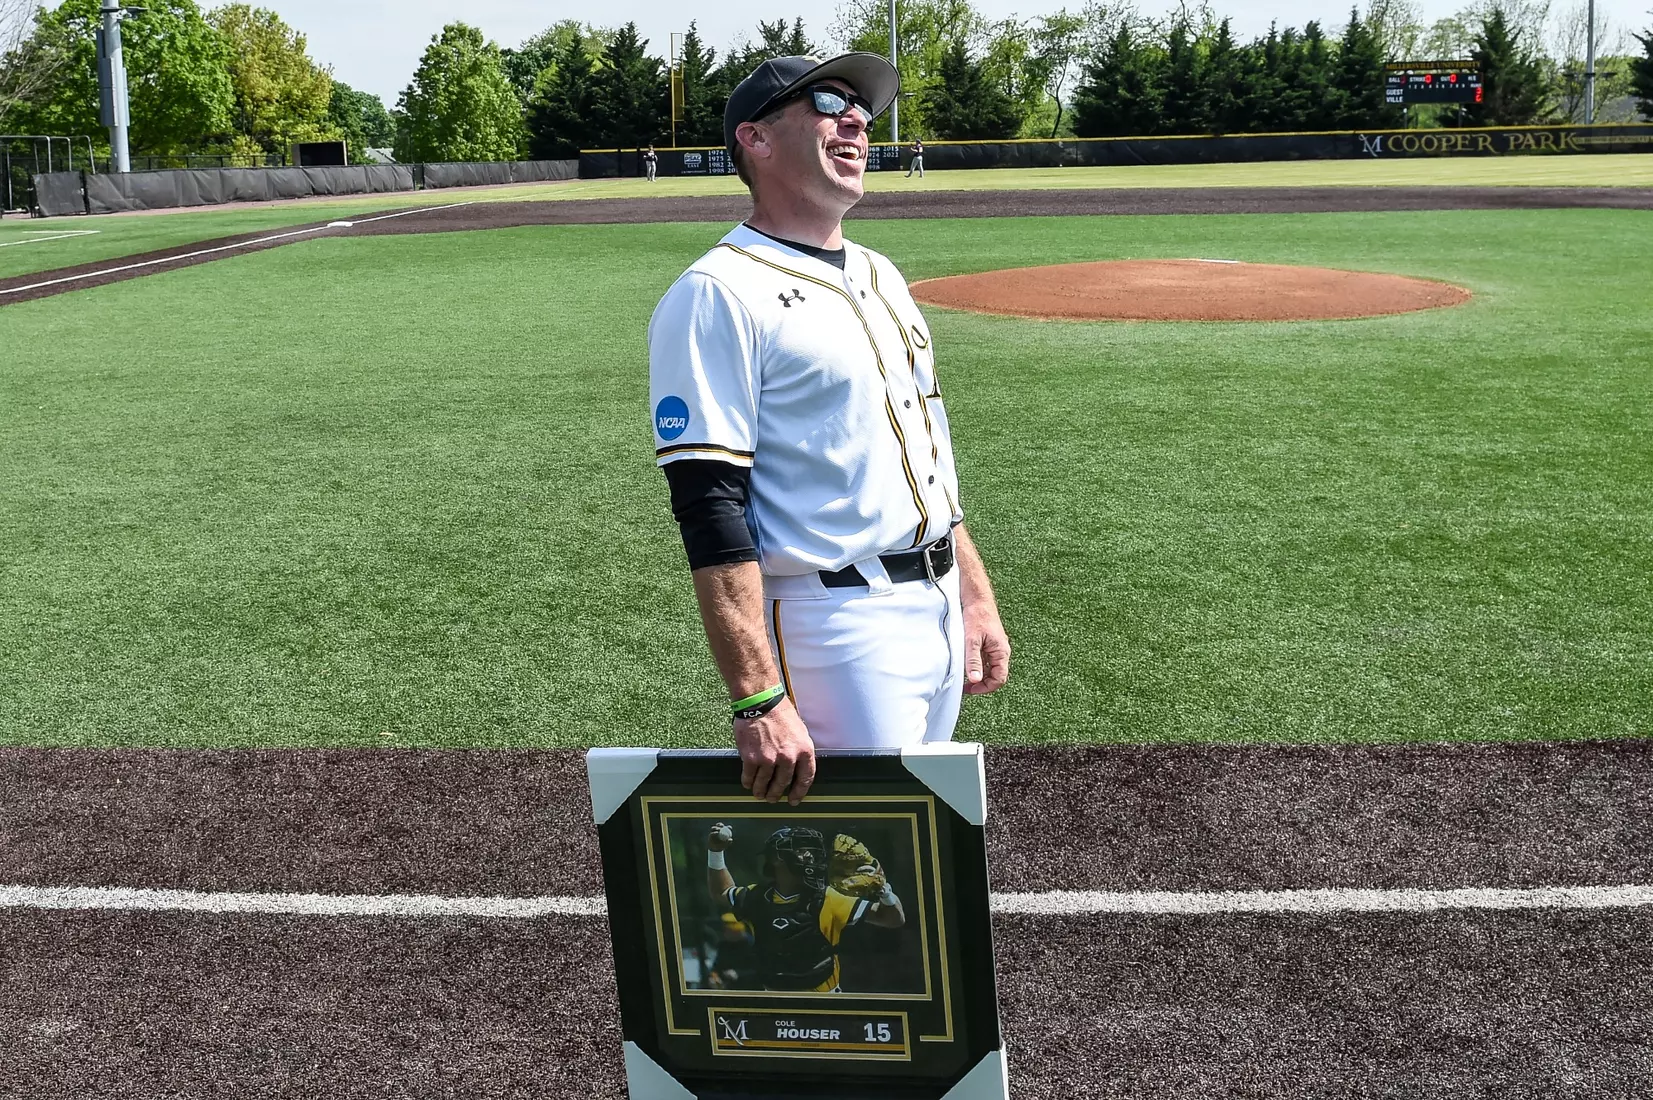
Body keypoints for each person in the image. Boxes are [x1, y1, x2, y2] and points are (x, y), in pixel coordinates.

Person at [647, 52, 1011, 807]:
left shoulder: (879, 273)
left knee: (921, 853)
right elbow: (709, 504)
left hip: (935, 602)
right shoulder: (716, 293)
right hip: (835, 625)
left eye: (861, 108)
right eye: (825, 100)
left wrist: (972, 592)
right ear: (756, 138)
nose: (855, 119)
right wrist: (756, 696)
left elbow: (927, 456)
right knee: (860, 863)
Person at [706, 823, 903, 993]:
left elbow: (893, 919)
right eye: (800, 850)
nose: (809, 855)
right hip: (774, 1004)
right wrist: (715, 852)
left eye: (810, 850)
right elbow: (722, 892)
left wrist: (885, 892)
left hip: (823, 1007)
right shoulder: (757, 897)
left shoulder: (828, 898)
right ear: (776, 859)